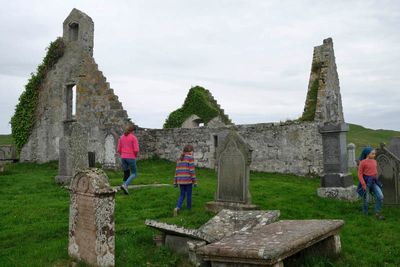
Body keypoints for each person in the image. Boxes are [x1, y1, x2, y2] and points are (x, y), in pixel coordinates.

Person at [357, 147, 384, 220]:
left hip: (374, 182)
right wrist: (363, 184)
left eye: (375, 153)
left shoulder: (374, 161)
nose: (374, 155)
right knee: (366, 199)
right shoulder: (362, 162)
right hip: (366, 183)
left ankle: (377, 213)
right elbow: (359, 174)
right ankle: (365, 214)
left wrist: (376, 178)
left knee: (380, 196)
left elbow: (375, 171)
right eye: (373, 153)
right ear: (367, 154)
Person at [173, 144, 197, 216]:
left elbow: (176, 170)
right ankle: (189, 209)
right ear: (190, 151)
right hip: (188, 180)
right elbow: (192, 170)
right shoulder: (190, 158)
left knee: (182, 195)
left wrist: (175, 182)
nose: (193, 152)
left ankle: (177, 207)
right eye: (192, 151)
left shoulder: (179, 158)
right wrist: (194, 181)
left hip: (180, 180)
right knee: (189, 195)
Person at [117, 123, 139, 195]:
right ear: (132, 131)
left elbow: (118, 149)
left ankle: (125, 189)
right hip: (131, 157)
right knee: (134, 173)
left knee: (126, 173)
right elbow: (136, 150)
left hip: (123, 157)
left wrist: (122, 155)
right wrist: (135, 156)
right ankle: (125, 185)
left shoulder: (121, 137)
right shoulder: (133, 138)